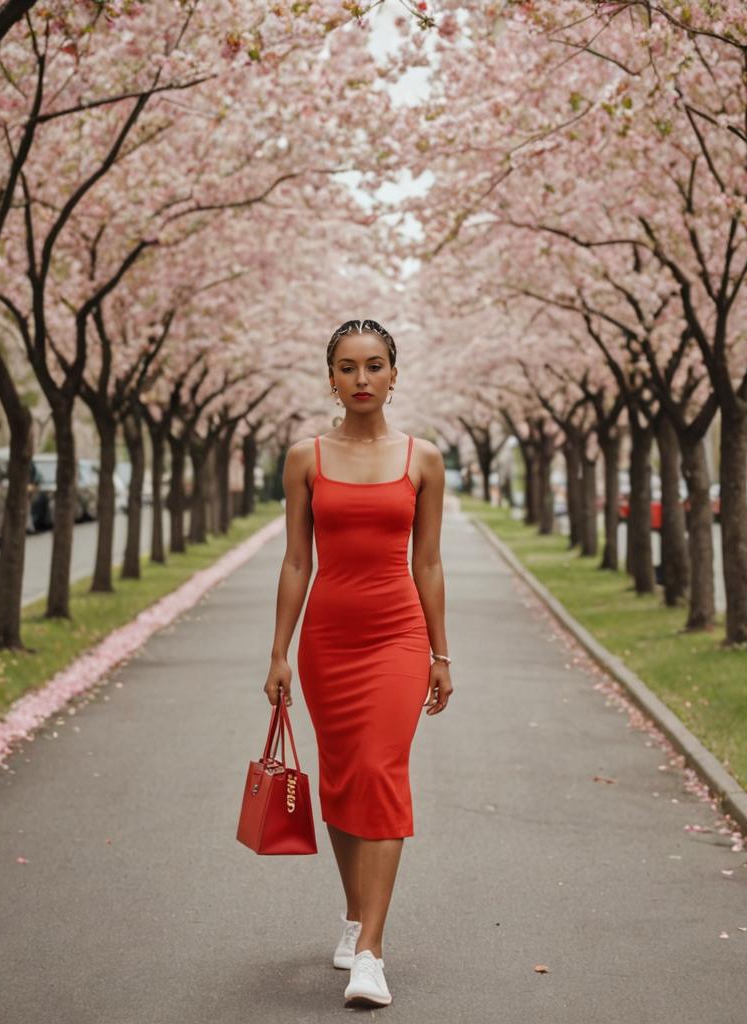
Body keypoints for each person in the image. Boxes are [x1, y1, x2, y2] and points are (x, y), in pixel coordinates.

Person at [263, 318, 453, 1009]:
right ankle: (352, 915)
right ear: (332, 377)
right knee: (341, 782)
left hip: (397, 637)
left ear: (395, 376)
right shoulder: (305, 458)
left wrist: (440, 652)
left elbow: (427, 563)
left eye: (375, 366)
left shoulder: (422, 459)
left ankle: (370, 951)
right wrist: (279, 651)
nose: (362, 379)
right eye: (348, 367)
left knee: (380, 771)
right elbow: (295, 560)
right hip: (327, 642)